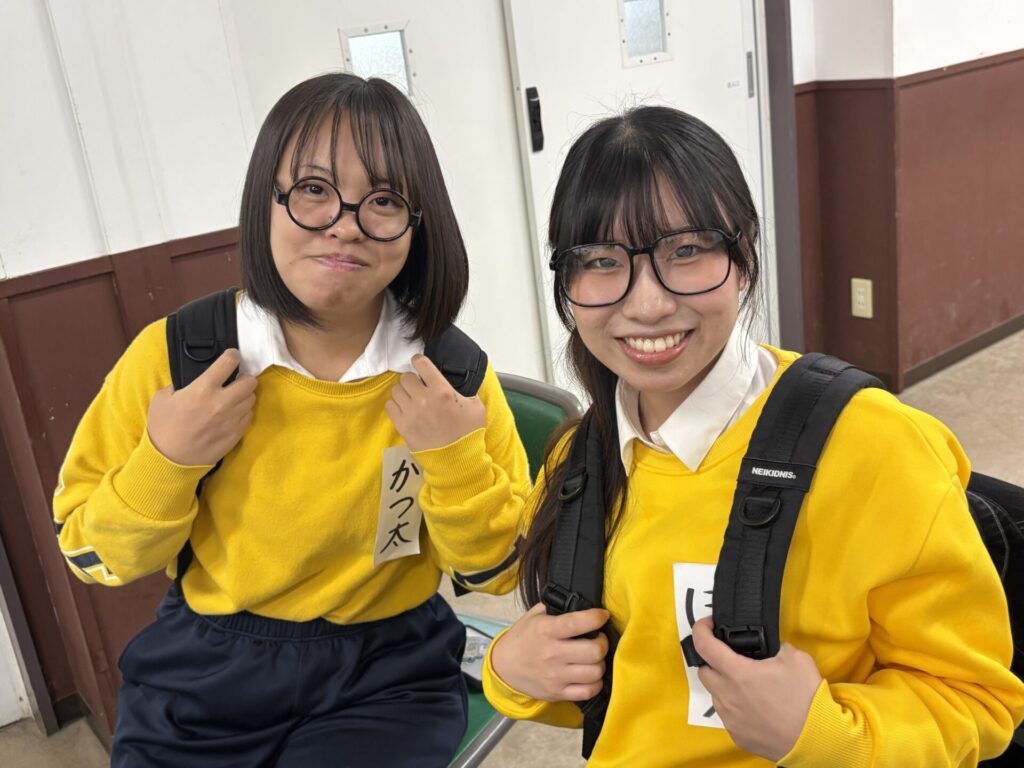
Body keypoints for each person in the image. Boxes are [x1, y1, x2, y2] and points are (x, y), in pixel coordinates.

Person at [482, 105, 1024, 766]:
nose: (647, 303)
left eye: (686, 251)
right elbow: (615, 691)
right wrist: (512, 671)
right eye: (599, 260)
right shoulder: (578, 462)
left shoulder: (876, 446)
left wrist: (820, 734)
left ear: (743, 259)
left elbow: (977, 702)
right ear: (566, 286)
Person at [53, 72, 529, 767]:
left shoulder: (449, 375)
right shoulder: (179, 355)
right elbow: (87, 554)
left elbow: (498, 572)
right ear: (265, 201)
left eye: (385, 200)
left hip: (389, 671)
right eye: (313, 189)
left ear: (417, 226)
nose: (345, 223)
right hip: (206, 666)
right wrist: (166, 461)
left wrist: (454, 461)